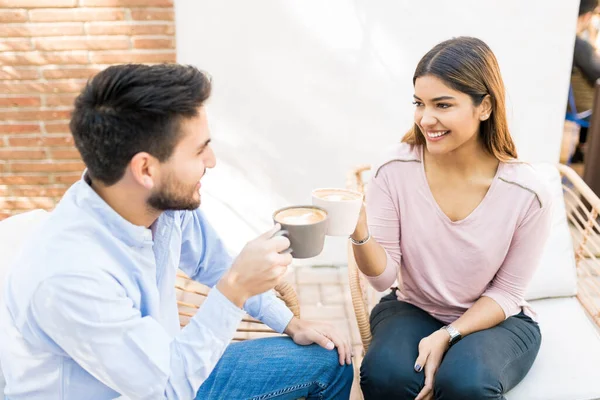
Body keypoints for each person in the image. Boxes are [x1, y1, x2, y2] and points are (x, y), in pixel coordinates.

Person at [0, 64, 353, 399]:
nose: (212, 161)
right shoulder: (69, 276)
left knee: (330, 360)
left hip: (170, 366)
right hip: (149, 388)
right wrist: (235, 290)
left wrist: (290, 322)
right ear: (146, 169)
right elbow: (167, 390)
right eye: (200, 150)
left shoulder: (163, 206)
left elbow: (215, 264)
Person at [352, 37, 552, 400]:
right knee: (384, 376)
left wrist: (449, 334)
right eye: (419, 103)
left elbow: (507, 293)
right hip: (412, 306)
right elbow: (382, 279)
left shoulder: (528, 194)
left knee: (466, 384)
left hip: (497, 320)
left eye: (442, 105)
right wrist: (359, 231)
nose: (426, 119)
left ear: (485, 107)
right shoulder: (393, 169)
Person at [569, 0, 600, 162]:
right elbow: (596, 73)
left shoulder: (565, 41)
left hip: (574, 105)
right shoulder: (581, 46)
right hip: (585, 108)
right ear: (587, 16)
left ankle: (580, 150)